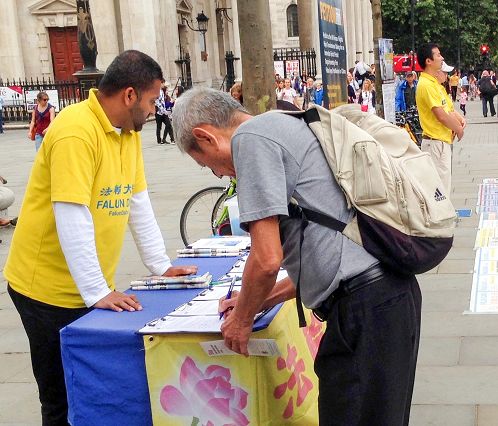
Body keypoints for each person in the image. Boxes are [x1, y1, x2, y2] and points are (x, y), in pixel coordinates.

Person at [171, 87, 421, 426]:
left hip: (366, 310)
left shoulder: (251, 140)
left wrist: (242, 320)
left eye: (206, 165)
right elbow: (324, 250)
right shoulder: (286, 125)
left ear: (206, 136)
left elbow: (267, 258)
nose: (219, 175)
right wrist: (257, 300)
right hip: (386, 298)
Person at [4, 50, 197, 426]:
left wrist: (161, 266)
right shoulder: (76, 130)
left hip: (86, 288)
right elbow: (71, 212)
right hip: (45, 289)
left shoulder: (127, 134)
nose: (156, 108)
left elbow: (137, 202)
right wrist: (97, 291)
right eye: (153, 99)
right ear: (129, 95)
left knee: (93, 391)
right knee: (60, 397)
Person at [416, 43, 466, 196]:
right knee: (439, 191)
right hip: (435, 143)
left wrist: (459, 120)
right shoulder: (426, 85)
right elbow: (441, 115)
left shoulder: (434, 84)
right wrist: (458, 129)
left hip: (441, 141)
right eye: (437, 55)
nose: (441, 57)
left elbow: (447, 109)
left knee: (443, 187)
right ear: (428, 61)